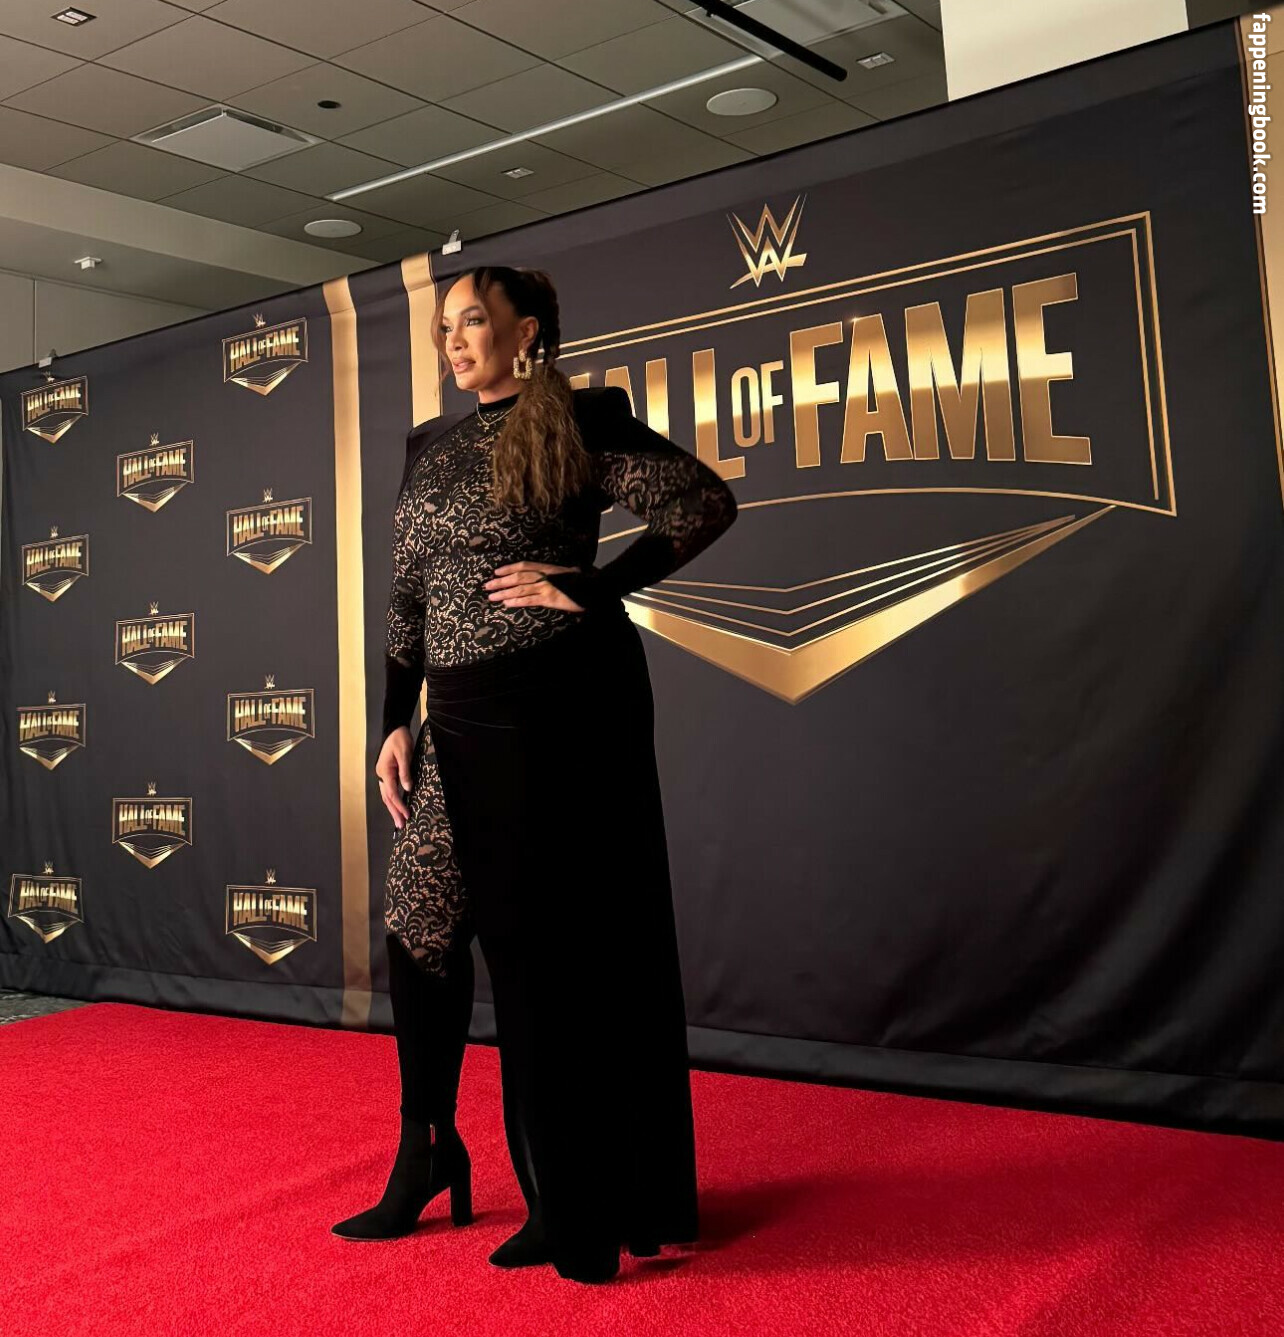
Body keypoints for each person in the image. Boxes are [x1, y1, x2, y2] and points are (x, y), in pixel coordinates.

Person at [331, 264, 738, 1284]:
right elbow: (409, 597)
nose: (454, 341)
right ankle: (428, 1148)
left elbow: (700, 503)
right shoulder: (428, 448)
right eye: (445, 326)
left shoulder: (578, 421)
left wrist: (595, 587)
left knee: (541, 954)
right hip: (454, 716)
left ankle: (568, 1191)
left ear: (527, 332)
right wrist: (393, 721)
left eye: (473, 320)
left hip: (550, 712)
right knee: (419, 922)